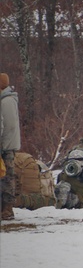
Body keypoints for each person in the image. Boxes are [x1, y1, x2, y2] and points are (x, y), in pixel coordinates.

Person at [0, 72, 21, 220]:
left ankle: (7, 210)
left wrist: (3, 145)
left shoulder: (6, 101)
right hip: (7, 145)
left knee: (7, 177)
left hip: (6, 147)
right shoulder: (8, 99)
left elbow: (7, 126)